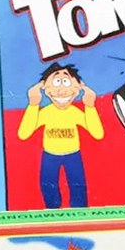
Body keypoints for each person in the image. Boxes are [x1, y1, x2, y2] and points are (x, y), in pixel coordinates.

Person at [18, 62, 104, 208]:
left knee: (78, 186)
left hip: (73, 154)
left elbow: (97, 133)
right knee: (48, 186)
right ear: (44, 87)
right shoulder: (46, 112)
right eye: (56, 82)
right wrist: (33, 104)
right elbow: (24, 134)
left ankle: (80, 213)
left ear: (78, 87)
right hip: (49, 155)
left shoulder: (74, 112)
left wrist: (90, 106)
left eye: (66, 82)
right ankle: (52, 212)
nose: (61, 91)